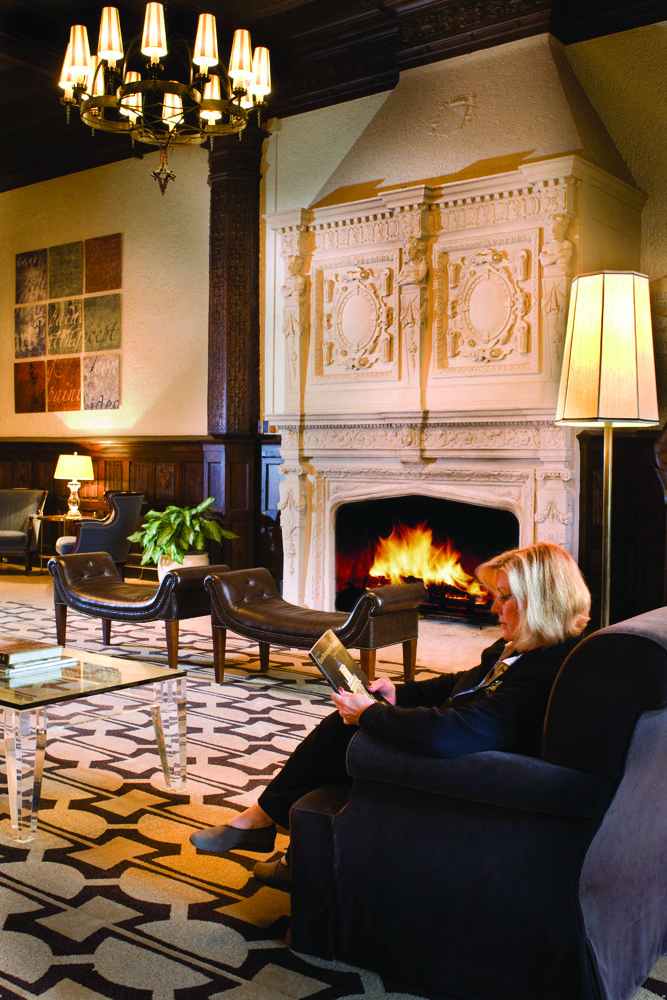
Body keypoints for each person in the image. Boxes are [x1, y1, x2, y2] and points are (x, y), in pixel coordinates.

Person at [190, 542, 591, 888]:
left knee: (345, 731)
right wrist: (398, 692)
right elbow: (461, 683)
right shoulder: (527, 647)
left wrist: (369, 716)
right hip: (457, 745)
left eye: (504, 597)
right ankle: (287, 846)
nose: (492, 605)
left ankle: (262, 823)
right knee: (348, 728)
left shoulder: (541, 675)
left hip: (462, 769)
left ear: (541, 603)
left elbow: (452, 733)